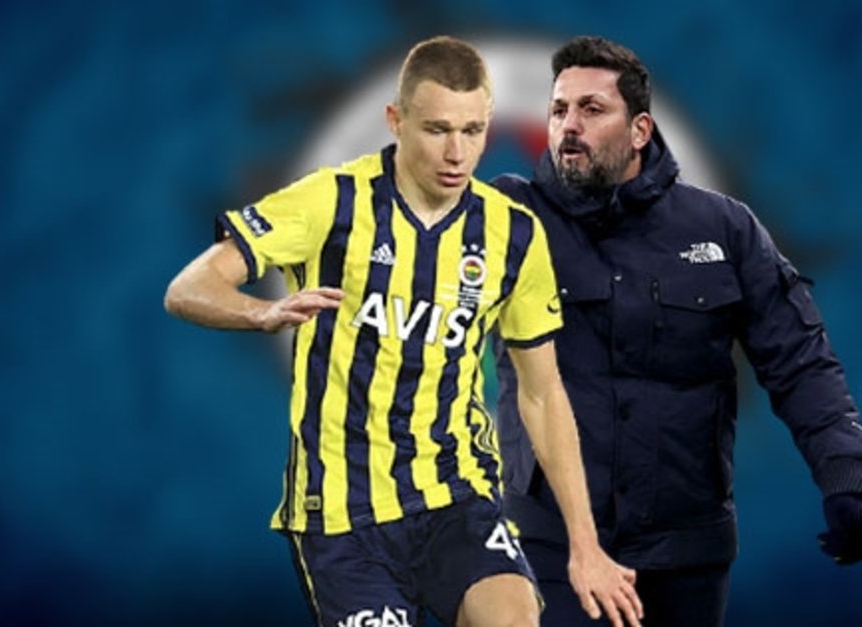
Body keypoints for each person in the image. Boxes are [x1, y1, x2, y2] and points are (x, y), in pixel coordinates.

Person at [164, 36, 643, 627]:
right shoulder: (332, 202)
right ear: (396, 121)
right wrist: (261, 313)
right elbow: (187, 289)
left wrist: (585, 546)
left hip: (456, 498)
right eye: (437, 129)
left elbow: (542, 393)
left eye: (473, 131)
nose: (457, 152)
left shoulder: (512, 234)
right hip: (341, 515)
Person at [491, 36, 862, 627]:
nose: (569, 126)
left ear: (640, 130)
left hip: (688, 558)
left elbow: (800, 362)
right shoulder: (506, 218)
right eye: (559, 109)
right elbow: (406, 250)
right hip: (553, 548)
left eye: (592, 109)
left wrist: (846, 477)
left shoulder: (724, 229)